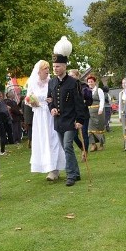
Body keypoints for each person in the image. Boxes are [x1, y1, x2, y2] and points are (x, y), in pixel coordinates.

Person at [47, 36, 86, 186]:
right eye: (54, 66)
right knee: (66, 148)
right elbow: (49, 99)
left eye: (57, 66)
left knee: (68, 146)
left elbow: (79, 104)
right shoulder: (52, 82)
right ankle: (76, 173)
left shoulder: (74, 82)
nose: (55, 68)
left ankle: (70, 175)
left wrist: (80, 120)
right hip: (58, 121)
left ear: (64, 66)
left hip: (71, 121)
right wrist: (52, 109)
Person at [26, 59, 66, 181]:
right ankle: (48, 166)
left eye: (48, 68)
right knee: (43, 141)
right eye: (45, 69)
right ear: (38, 71)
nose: (48, 71)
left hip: (50, 114)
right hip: (39, 116)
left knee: (54, 139)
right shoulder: (33, 83)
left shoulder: (51, 82)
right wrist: (32, 103)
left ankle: (55, 168)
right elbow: (27, 99)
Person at [69, 69, 92, 161]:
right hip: (72, 114)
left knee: (84, 133)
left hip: (83, 114)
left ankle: (85, 152)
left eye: (73, 75)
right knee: (74, 135)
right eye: (69, 76)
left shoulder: (84, 87)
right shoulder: (67, 87)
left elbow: (89, 101)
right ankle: (82, 147)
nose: (71, 77)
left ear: (77, 76)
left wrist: (82, 103)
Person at [86, 76, 106, 151]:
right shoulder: (87, 91)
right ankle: (93, 145)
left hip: (98, 112)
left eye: (91, 81)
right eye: (88, 82)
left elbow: (102, 100)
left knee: (99, 128)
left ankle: (101, 144)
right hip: (89, 112)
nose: (90, 83)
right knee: (90, 129)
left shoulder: (99, 90)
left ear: (94, 82)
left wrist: (101, 109)